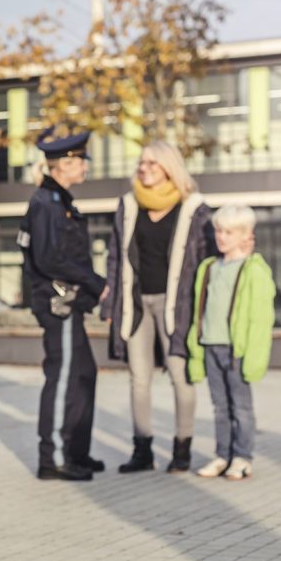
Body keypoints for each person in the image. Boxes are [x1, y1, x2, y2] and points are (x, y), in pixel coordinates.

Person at [101, 141, 215, 474]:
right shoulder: (128, 204)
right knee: (139, 379)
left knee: (180, 377)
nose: (144, 168)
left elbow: (205, 260)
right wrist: (109, 301)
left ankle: (182, 449)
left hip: (176, 305)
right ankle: (143, 450)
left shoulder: (194, 207)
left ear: (170, 167)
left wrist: (203, 309)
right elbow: (114, 254)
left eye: (152, 162)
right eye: (141, 163)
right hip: (135, 303)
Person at [19, 131, 108, 481]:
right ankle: (53, 457)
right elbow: (50, 258)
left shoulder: (60, 201)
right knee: (64, 377)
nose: (86, 166)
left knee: (83, 374)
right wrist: (97, 283)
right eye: (81, 160)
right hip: (59, 302)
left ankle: (76, 451)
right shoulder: (46, 203)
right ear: (66, 163)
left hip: (70, 302)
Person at [186, 205, 275, 481]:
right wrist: (196, 349)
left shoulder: (254, 270)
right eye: (218, 231)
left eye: (229, 232)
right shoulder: (209, 267)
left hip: (237, 351)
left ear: (246, 235)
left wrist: (254, 358)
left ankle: (242, 457)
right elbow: (198, 311)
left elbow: (261, 319)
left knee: (241, 408)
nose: (221, 237)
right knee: (220, 407)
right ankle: (222, 455)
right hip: (210, 345)